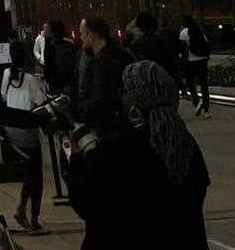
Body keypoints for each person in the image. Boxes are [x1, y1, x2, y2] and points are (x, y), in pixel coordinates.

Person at [66, 59, 209, 250]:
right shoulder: (184, 144)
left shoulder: (119, 149)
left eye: (123, 93)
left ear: (134, 109)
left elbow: (86, 203)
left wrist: (76, 157)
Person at [0, 40, 45, 236]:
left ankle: (21, 209)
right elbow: (41, 102)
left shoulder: (6, 74)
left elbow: (3, 96)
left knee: (29, 171)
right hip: (27, 130)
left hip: (12, 130)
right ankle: (33, 218)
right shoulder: (30, 79)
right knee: (36, 174)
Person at [75, 16, 132, 140]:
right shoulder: (123, 54)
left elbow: (99, 102)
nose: (81, 38)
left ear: (91, 36)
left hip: (111, 131)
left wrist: (77, 109)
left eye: (82, 33)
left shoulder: (100, 62)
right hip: (128, 125)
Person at [127, 11, 184, 92]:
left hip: (148, 87)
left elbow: (128, 29)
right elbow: (171, 64)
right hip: (165, 83)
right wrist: (180, 84)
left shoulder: (135, 46)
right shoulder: (161, 41)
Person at [178, 15, 211, 115]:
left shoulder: (184, 33)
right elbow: (206, 45)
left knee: (190, 83)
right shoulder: (200, 32)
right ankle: (206, 109)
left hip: (190, 61)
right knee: (204, 85)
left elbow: (183, 49)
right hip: (202, 61)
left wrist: (183, 62)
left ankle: (197, 101)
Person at [42, 20, 79, 99]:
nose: (44, 31)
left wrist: (46, 79)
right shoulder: (70, 44)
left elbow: (47, 67)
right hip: (71, 83)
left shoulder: (50, 46)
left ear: (51, 32)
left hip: (56, 84)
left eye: (46, 28)